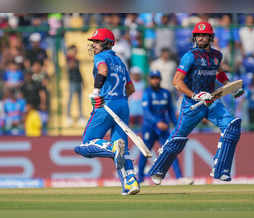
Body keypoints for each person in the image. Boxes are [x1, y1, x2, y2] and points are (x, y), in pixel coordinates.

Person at [148, 22, 244, 185]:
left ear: (211, 37)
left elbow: (218, 73)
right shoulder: (190, 56)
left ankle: (221, 169)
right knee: (177, 139)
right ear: (194, 37)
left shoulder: (216, 55)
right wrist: (195, 95)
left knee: (233, 126)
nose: (201, 38)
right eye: (198, 35)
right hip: (191, 104)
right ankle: (158, 169)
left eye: (204, 35)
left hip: (212, 101)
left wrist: (230, 86)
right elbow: (176, 82)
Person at [73, 28, 140, 195]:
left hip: (105, 105)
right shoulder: (120, 62)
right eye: (93, 41)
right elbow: (131, 88)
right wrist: (119, 99)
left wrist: (96, 91)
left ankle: (112, 147)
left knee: (85, 145)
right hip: (123, 105)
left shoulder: (101, 57)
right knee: (121, 148)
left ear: (107, 43)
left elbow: (102, 71)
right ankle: (130, 182)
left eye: (96, 41)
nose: (93, 44)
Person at [138, 70, 193, 185]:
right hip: (150, 128)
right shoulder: (147, 93)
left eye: (157, 78)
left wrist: (178, 125)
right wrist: (157, 122)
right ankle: (140, 179)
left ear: (160, 79)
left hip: (164, 128)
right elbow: (146, 112)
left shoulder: (166, 93)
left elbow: (171, 111)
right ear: (149, 79)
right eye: (153, 78)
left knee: (171, 151)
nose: (155, 80)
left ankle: (179, 177)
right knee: (145, 152)